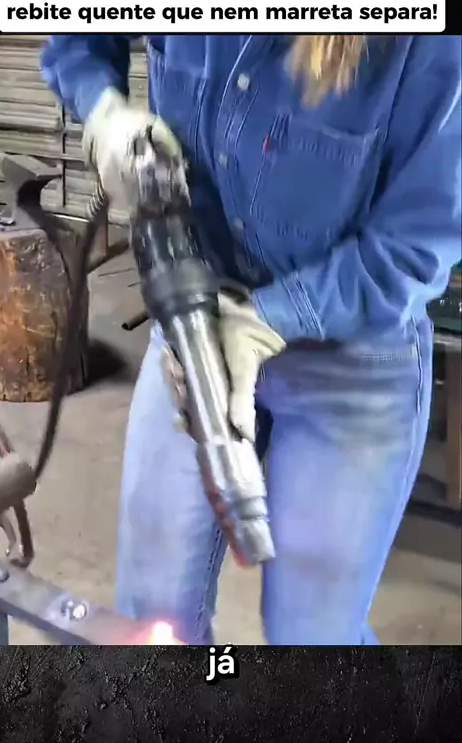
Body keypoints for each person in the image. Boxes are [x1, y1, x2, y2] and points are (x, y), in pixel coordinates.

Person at [41, 34, 461, 645]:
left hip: (353, 358)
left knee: (313, 638)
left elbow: (415, 246)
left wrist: (267, 321)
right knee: (150, 614)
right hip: (194, 318)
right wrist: (103, 108)